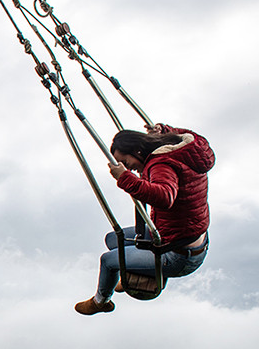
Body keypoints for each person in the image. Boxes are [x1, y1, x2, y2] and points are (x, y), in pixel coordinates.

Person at [75, 123, 215, 315]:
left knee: (108, 261)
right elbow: (194, 137)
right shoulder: (183, 151)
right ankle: (140, 267)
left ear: (137, 150)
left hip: (179, 255)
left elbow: (165, 196)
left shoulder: (160, 164)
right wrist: (164, 130)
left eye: (125, 161)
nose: (128, 168)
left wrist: (124, 178)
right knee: (113, 239)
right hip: (182, 236)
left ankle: (101, 301)